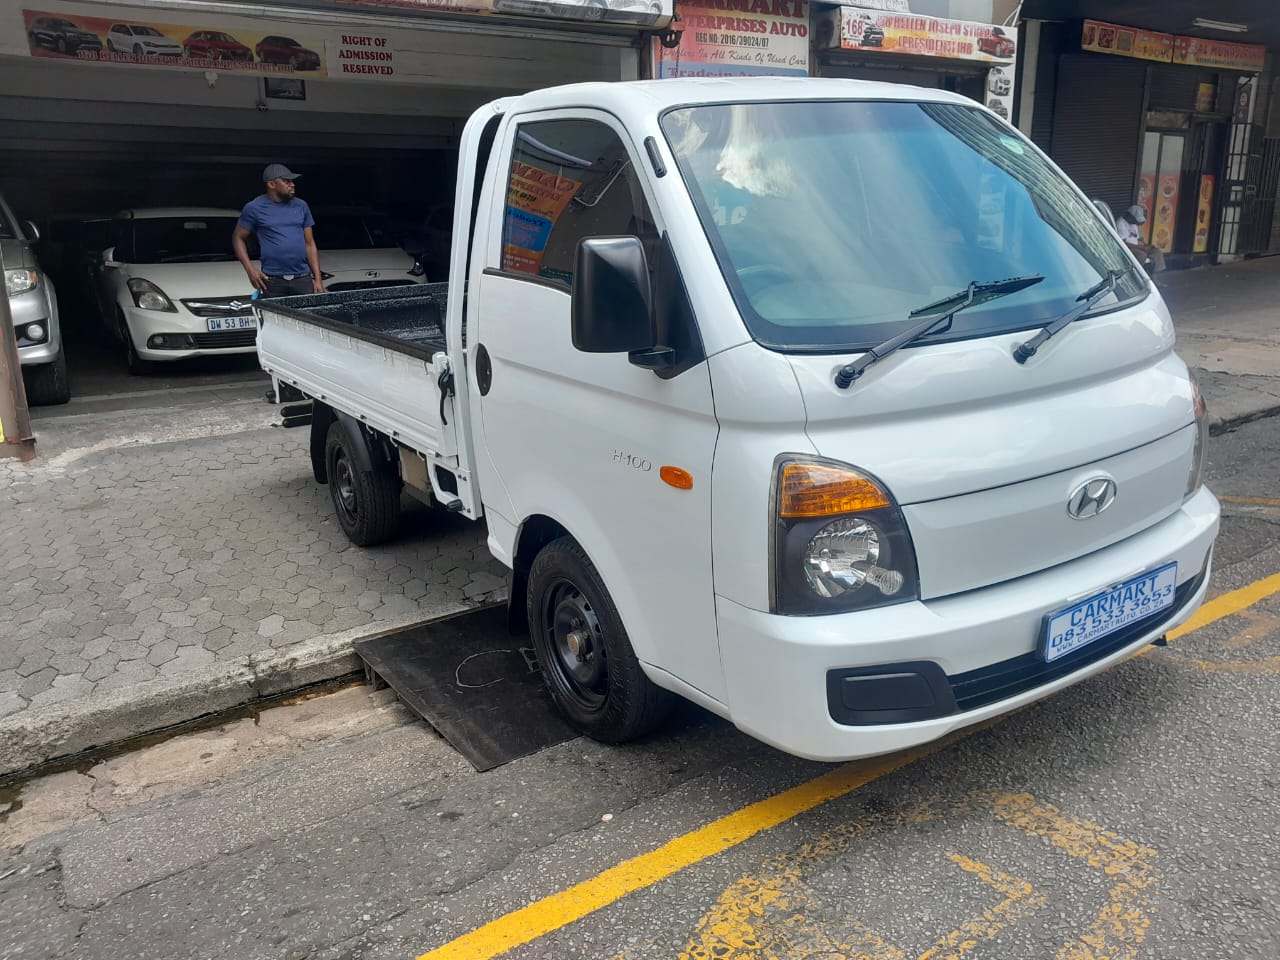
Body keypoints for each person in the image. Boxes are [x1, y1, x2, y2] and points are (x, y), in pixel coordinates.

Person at [232, 163, 325, 298]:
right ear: (271, 184)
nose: (292, 185)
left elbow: (309, 244)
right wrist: (250, 270)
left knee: (308, 312)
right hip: (272, 281)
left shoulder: (301, 206)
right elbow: (238, 238)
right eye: (287, 181)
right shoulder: (254, 208)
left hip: (302, 279)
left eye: (292, 181)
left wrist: (318, 279)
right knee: (274, 313)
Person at [1115, 204, 1165, 273]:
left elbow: (1138, 238)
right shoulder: (1120, 223)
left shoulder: (1133, 224)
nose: (1136, 222)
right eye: (1135, 219)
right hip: (1128, 249)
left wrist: (1146, 245)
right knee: (1141, 255)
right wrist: (1142, 248)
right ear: (1130, 216)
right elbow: (1123, 243)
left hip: (1138, 247)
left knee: (1157, 252)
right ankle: (1135, 274)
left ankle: (1154, 275)